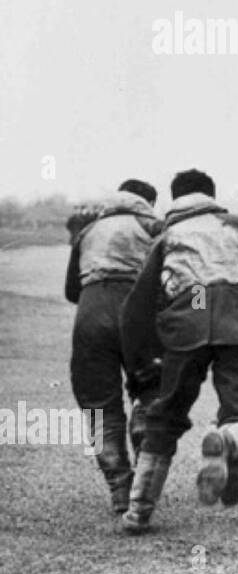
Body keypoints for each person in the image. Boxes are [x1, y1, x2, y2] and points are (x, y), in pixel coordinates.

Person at [118, 169, 238, 532]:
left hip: (191, 311)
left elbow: (137, 305)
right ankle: (225, 439)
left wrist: (141, 360)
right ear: (212, 195)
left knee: (167, 414)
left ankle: (139, 509)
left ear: (175, 200)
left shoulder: (167, 235)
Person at [64, 179, 164, 513]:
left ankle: (120, 489)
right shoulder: (153, 226)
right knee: (152, 386)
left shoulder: (89, 230)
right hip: (138, 311)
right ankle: (142, 422)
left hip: (91, 314)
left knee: (97, 404)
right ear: (148, 201)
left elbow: (71, 291)